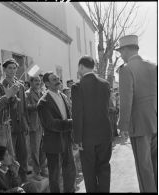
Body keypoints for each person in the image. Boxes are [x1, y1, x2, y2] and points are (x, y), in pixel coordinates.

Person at [116, 35, 157, 192]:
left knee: (144, 169)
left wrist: (123, 126)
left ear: (126, 50)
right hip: (155, 123)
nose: (121, 55)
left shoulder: (126, 70)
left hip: (138, 127)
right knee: (155, 165)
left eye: (121, 51)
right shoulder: (154, 67)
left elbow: (126, 100)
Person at [71, 55, 112, 192]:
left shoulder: (77, 86)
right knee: (104, 168)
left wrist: (77, 139)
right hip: (105, 134)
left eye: (79, 68)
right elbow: (106, 109)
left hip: (86, 137)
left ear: (81, 67)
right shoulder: (105, 84)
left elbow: (77, 114)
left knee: (89, 172)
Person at [37, 72, 76, 193]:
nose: (58, 81)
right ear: (47, 83)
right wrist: (72, 123)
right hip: (53, 143)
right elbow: (51, 124)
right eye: (54, 79)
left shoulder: (63, 96)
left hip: (67, 139)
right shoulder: (43, 102)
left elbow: (68, 114)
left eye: (58, 78)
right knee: (55, 176)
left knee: (70, 171)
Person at [2, 58, 30, 182]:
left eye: (14, 68)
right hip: (9, 126)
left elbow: (24, 107)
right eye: (9, 68)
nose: (12, 70)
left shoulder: (20, 85)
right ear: (4, 69)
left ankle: (24, 181)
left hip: (21, 125)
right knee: (11, 157)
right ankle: (15, 182)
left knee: (23, 154)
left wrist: (26, 123)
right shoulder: (2, 85)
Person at [25, 75, 48, 181]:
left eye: (39, 80)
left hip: (43, 125)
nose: (38, 82)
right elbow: (26, 108)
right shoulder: (27, 93)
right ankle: (36, 172)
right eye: (35, 81)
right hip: (34, 126)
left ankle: (43, 169)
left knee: (43, 149)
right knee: (35, 151)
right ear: (31, 82)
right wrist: (38, 106)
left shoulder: (43, 93)